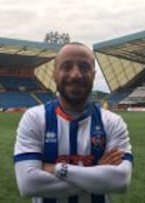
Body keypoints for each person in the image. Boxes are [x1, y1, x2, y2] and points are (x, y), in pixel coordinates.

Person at [13, 42, 134, 203]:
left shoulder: (113, 122)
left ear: (93, 74)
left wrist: (54, 168)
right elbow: (28, 185)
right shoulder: (34, 118)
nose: (76, 74)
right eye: (66, 66)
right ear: (54, 74)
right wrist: (97, 173)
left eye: (84, 67)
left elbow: (120, 181)